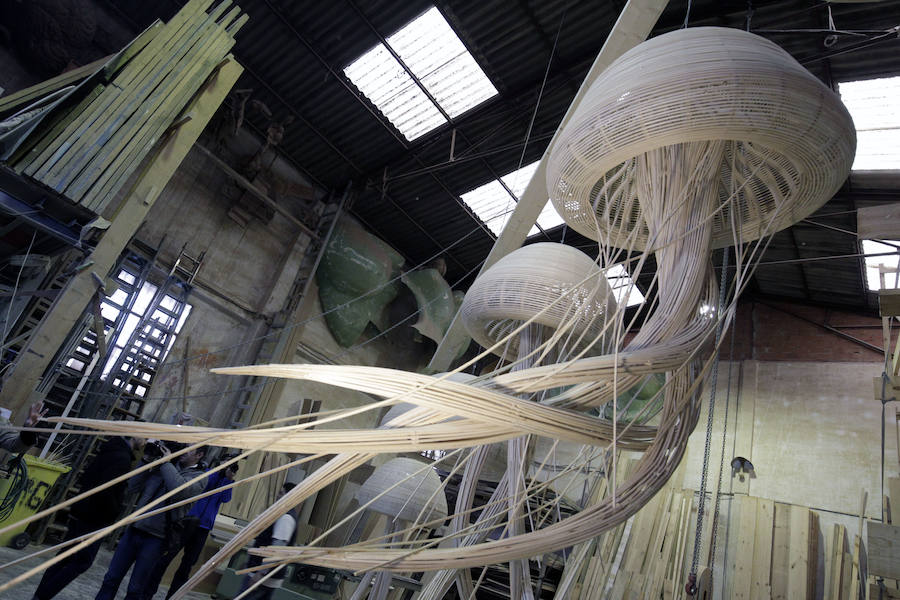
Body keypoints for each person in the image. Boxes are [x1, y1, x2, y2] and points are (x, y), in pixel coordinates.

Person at [31, 436, 144, 600]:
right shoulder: (122, 458)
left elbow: (86, 477)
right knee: (81, 561)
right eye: (145, 437)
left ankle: (39, 596)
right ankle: (43, 595)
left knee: (65, 556)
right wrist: (113, 512)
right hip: (94, 518)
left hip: (82, 510)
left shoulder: (111, 449)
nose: (146, 441)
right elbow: (106, 491)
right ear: (134, 435)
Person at [94, 443, 208, 600]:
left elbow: (179, 491)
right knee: (110, 579)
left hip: (156, 539)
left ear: (199, 455)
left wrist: (166, 463)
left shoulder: (200, 477)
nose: (183, 451)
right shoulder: (164, 465)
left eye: (189, 448)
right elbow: (132, 486)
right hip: (135, 529)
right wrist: (146, 461)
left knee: (135, 588)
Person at [143, 461, 239, 600]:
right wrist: (218, 472)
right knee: (166, 558)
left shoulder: (226, 481)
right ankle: (147, 594)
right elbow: (206, 485)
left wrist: (228, 479)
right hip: (188, 521)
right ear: (221, 462)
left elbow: (226, 499)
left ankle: (173, 597)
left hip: (203, 527)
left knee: (187, 565)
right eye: (227, 463)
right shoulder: (207, 473)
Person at [242, 483, 298, 600]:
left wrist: (261, 573)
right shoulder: (281, 514)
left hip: (263, 578)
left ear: (289, 496)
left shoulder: (286, 518)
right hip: (263, 575)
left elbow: (276, 549)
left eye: (281, 493)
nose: (277, 496)